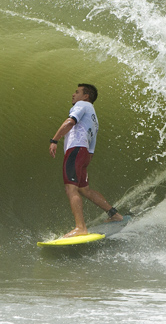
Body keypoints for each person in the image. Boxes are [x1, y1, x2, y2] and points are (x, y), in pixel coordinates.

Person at [49, 83, 123, 238]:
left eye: (77, 92)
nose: (73, 95)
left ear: (86, 96)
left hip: (75, 150)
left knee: (71, 189)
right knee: (84, 190)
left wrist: (54, 140)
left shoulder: (82, 105)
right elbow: (92, 146)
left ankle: (80, 228)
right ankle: (114, 214)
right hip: (84, 154)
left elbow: (70, 122)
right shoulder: (94, 117)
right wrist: (84, 161)